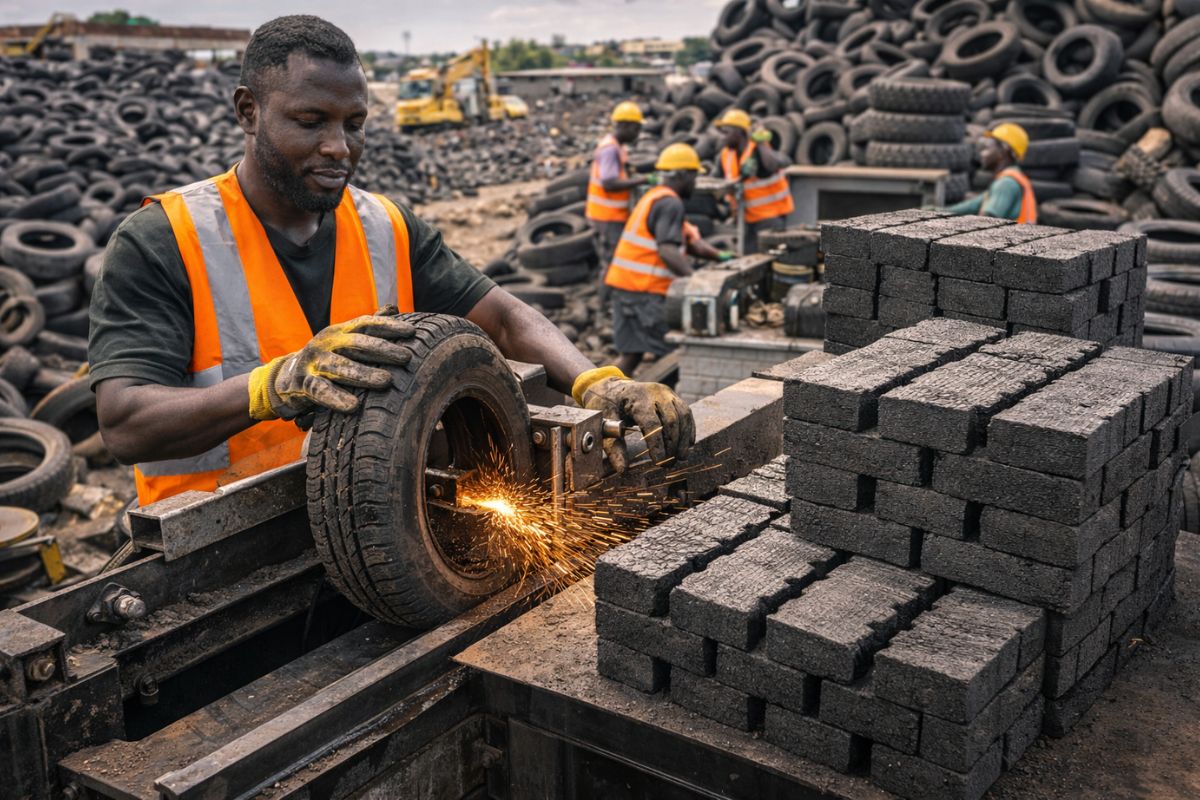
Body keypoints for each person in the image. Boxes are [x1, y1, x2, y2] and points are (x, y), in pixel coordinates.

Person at [89, 15, 694, 505]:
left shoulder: (384, 226)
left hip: (375, 529)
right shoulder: (164, 240)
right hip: (217, 556)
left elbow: (506, 318)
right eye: (311, 121)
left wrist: (594, 381)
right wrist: (272, 385)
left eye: (355, 124)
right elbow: (125, 424)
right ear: (247, 110)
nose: (339, 147)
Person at [604, 143, 730, 378]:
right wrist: (696, 281)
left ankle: (598, 398)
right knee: (671, 356)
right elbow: (668, 250)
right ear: (682, 174)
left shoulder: (653, 196)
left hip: (624, 288)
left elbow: (689, 243)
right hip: (645, 294)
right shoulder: (670, 203)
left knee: (632, 355)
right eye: (693, 176)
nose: (695, 183)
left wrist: (719, 256)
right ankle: (658, 408)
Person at [715, 108, 795, 254]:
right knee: (749, 259)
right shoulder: (725, 155)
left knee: (769, 259)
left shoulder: (759, 150)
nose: (722, 137)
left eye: (726, 132)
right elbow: (717, 182)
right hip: (746, 220)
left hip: (770, 218)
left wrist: (761, 141)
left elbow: (773, 165)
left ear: (739, 132)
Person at [586, 101, 647, 271]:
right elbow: (609, 183)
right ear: (625, 126)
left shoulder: (618, 147)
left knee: (614, 262)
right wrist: (643, 181)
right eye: (636, 128)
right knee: (612, 264)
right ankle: (608, 297)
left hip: (612, 216)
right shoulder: (609, 149)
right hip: (607, 218)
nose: (638, 133)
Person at [946, 123, 1037, 223]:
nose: (982, 154)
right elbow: (973, 205)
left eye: (987, 148)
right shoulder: (1011, 178)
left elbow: (986, 221)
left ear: (1004, 151)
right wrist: (936, 211)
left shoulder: (1005, 184)